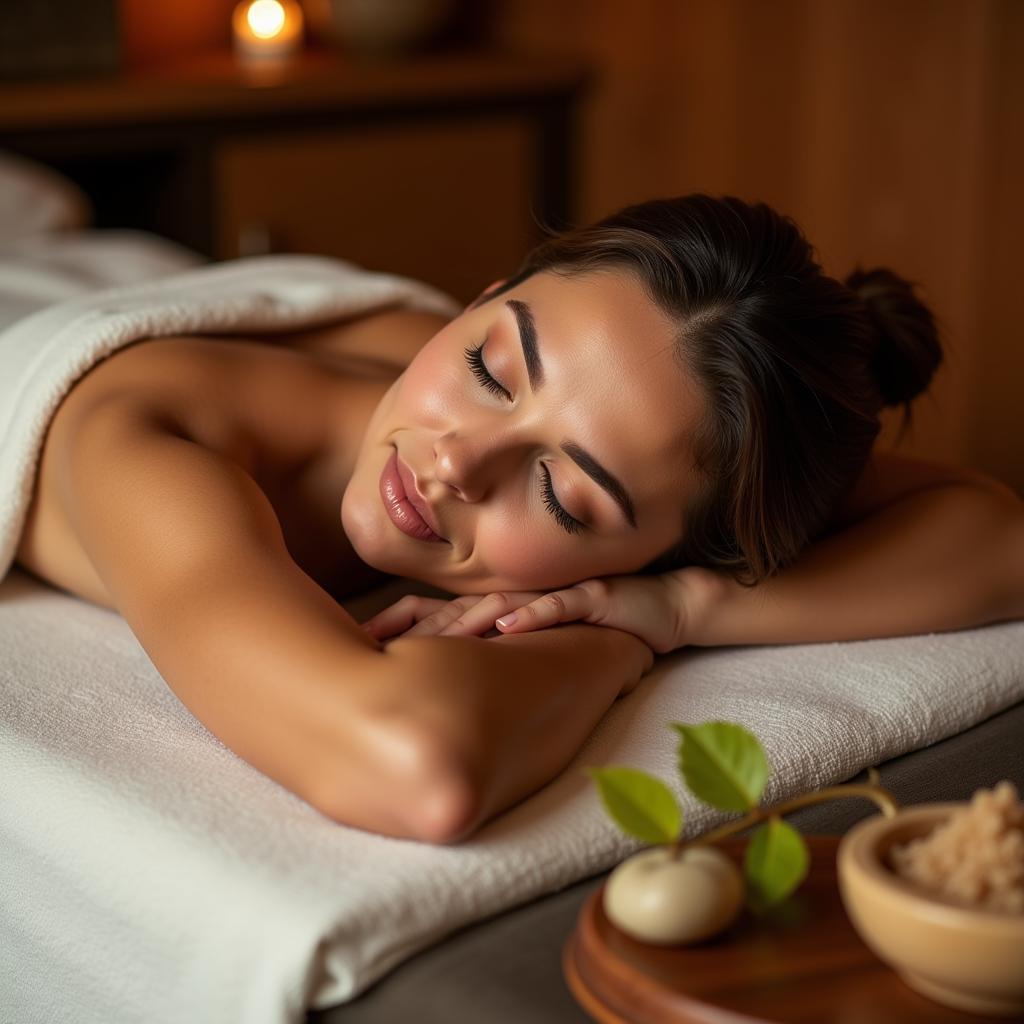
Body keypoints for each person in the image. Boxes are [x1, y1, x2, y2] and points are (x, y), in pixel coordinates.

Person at [14, 194, 1024, 844]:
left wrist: (676, 604)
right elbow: (413, 768)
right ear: (486, 297)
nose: (455, 460)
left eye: (562, 494)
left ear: (664, 539)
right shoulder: (150, 446)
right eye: (493, 366)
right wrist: (619, 639)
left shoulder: (671, 435)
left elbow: (994, 532)